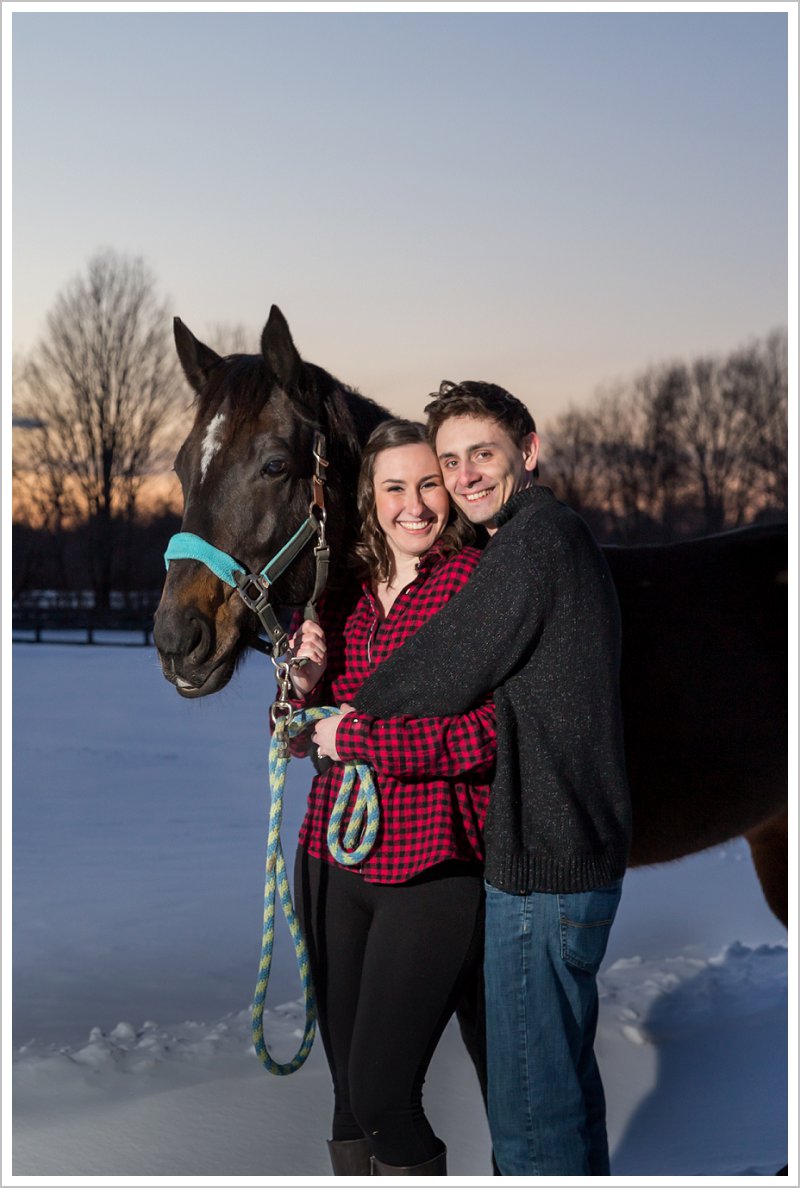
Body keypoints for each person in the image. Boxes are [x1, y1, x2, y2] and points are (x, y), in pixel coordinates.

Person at [313, 382, 632, 1176]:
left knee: (530, 1119)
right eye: (445, 461)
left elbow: (451, 676)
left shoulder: (523, 551)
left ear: (528, 451)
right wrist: (308, 687)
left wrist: (348, 725)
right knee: (548, 1095)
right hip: (535, 856)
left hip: (536, 864)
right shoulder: (529, 544)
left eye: (472, 457)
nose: (456, 479)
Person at [287, 418, 496, 1177]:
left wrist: (361, 739)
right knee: (348, 1098)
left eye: (429, 484)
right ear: (369, 498)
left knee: (383, 1097)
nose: (414, 504)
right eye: (394, 487)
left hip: (431, 869)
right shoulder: (340, 597)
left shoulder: (474, 587)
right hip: (333, 860)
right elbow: (296, 739)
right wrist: (300, 690)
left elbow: (487, 738)